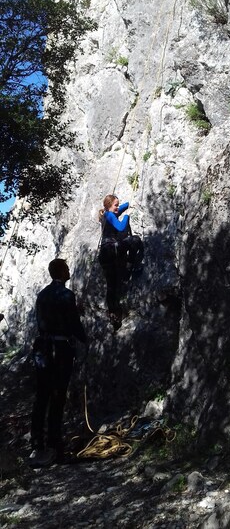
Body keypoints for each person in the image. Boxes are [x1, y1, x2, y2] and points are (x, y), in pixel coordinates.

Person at [29, 258, 87, 468]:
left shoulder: (42, 295)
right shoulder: (66, 295)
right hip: (60, 350)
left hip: (42, 350)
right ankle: (55, 445)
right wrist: (85, 339)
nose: (70, 270)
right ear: (62, 272)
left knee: (42, 396)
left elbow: (44, 321)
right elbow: (73, 324)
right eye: (67, 268)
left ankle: (37, 443)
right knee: (58, 396)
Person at [98, 194, 143, 328]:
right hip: (113, 249)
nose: (118, 207)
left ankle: (113, 313)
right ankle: (130, 267)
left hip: (105, 254)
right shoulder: (111, 216)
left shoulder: (105, 215)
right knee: (135, 240)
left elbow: (119, 208)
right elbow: (121, 227)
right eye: (116, 205)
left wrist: (126, 204)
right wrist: (127, 216)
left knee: (111, 285)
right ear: (109, 206)